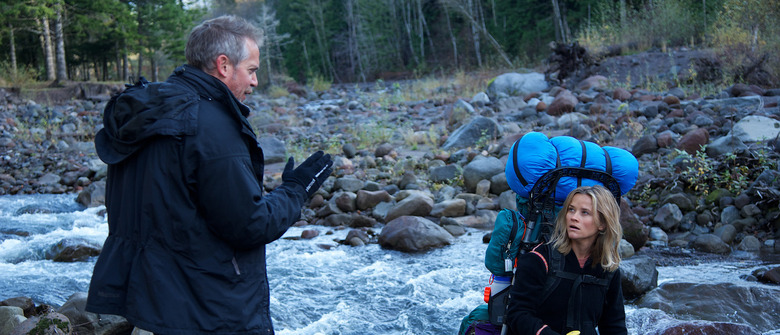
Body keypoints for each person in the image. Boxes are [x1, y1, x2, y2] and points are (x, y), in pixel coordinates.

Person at [85, 15, 333, 335]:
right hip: (209, 309)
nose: (255, 82)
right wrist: (298, 188)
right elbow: (250, 224)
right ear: (224, 65)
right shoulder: (210, 127)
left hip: (154, 301)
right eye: (252, 70)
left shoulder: (149, 112)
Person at [505, 185, 627, 335]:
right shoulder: (539, 259)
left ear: (602, 224)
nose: (574, 217)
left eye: (585, 212)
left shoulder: (608, 270)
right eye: (571, 209)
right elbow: (518, 314)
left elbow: (614, 325)